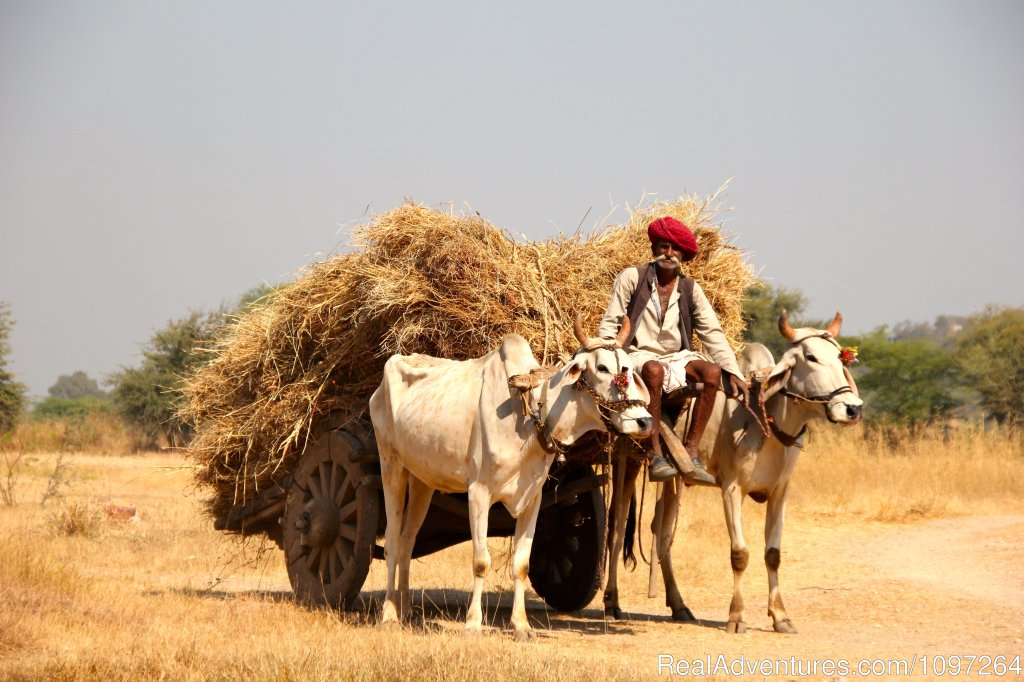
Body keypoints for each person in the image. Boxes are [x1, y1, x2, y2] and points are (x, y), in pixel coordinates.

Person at [598, 216, 749, 484]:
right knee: (654, 370)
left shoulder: (690, 289)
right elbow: (610, 323)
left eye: (675, 249)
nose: (669, 254)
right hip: (636, 354)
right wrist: (606, 360)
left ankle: (691, 452)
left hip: (676, 358)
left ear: (683, 255)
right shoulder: (633, 277)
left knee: (712, 372)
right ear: (654, 249)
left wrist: (734, 372)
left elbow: (712, 333)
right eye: (664, 246)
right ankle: (655, 454)